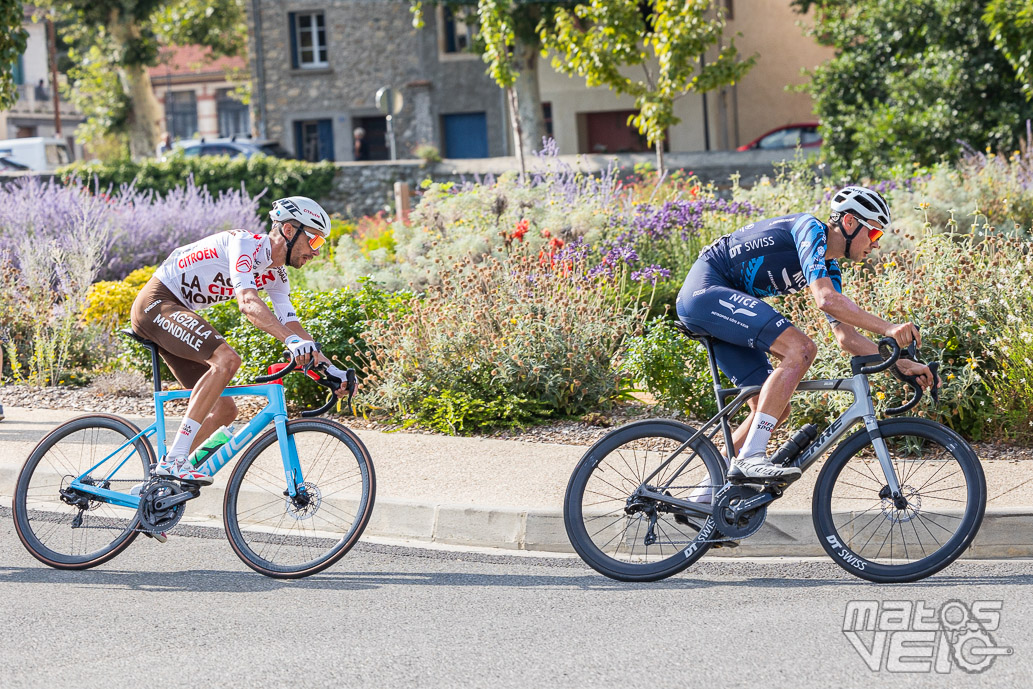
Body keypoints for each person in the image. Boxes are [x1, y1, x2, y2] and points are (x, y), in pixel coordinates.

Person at [676, 185, 936, 487]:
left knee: (774, 406)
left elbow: (846, 338)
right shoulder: (809, 229)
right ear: (850, 223)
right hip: (705, 291)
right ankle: (750, 458)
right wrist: (890, 329)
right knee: (801, 349)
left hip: (721, 305)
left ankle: (707, 496)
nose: (876, 244)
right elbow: (825, 300)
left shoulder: (829, 265)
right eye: (875, 233)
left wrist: (901, 364)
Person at [129, 196, 349, 484]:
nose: (317, 252)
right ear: (288, 230)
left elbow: (291, 324)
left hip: (178, 311)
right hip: (156, 304)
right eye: (315, 241)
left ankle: (159, 485)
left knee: (225, 410)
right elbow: (247, 302)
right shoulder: (244, 246)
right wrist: (290, 342)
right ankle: (174, 462)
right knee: (227, 359)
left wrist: (330, 368)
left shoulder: (277, 274)